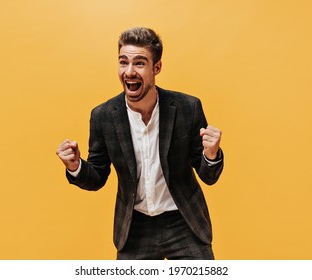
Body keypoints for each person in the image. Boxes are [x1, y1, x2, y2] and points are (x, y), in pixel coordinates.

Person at [56, 27, 224, 260]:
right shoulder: (103, 116)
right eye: (123, 62)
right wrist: (75, 166)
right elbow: (97, 177)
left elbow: (209, 176)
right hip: (135, 228)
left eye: (139, 63)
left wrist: (211, 153)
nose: (129, 72)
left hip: (184, 222)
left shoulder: (188, 107)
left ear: (157, 68)